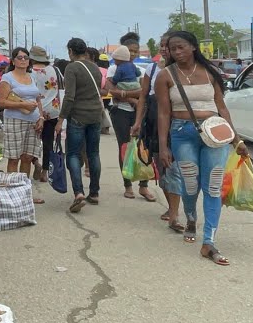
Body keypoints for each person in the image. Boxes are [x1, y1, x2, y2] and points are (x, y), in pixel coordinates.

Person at [154, 31, 250, 266]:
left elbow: (222, 107)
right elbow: (163, 113)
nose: (177, 52)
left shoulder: (210, 72)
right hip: (181, 133)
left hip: (215, 131)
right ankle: (190, 217)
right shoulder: (165, 76)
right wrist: (163, 146)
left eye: (181, 47)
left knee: (213, 186)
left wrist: (236, 140)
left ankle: (209, 241)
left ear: (193, 47)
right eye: (172, 49)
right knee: (190, 183)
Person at [135, 34, 181, 227]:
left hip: (178, 123)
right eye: (161, 45)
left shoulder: (182, 69)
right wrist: (138, 122)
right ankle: (172, 208)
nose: (163, 49)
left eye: (167, 45)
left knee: (176, 169)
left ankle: (175, 212)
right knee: (162, 167)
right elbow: (143, 96)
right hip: (155, 124)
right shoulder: (152, 69)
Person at [59, 38, 105, 212]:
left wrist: (61, 119)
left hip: (78, 117)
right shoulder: (95, 67)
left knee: (73, 154)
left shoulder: (71, 68)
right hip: (95, 116)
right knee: (93, 153)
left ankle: (79, 192)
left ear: (71, 51)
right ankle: (94, 193)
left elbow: (69, 97)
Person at [0, 47, 45, 204]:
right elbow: (1, 102)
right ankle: (12, 195)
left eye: (26, 57)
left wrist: (41, 117)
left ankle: (25, 194)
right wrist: (23, 104)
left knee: (28, 157)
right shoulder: (7, 78)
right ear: (13, 60)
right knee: (14, 158)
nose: (23, 60)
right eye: (19, 57)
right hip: (14, 121)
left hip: (33, 121)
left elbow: (38, 100)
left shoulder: (33, 77)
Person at [106, 37, 152, 201]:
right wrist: (132, 98)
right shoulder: (113, 68)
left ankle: (144, 186)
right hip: (120, 112)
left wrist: (124, 94)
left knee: (143, 146)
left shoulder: (140, 69)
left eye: (135, 51)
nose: (132, 53)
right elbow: (111, 91)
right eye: (129, 50)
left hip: (139, 112)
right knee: (124, 147)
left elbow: (143, 91)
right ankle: (128, 185)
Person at [29, 47, 63, 183]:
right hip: (53, 110)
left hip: (34, 110)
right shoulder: (55, 70)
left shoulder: (30, 71)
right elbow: (62, 87)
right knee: (48, 142)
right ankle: (45, 171)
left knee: (31, 141)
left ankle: (35, 162)